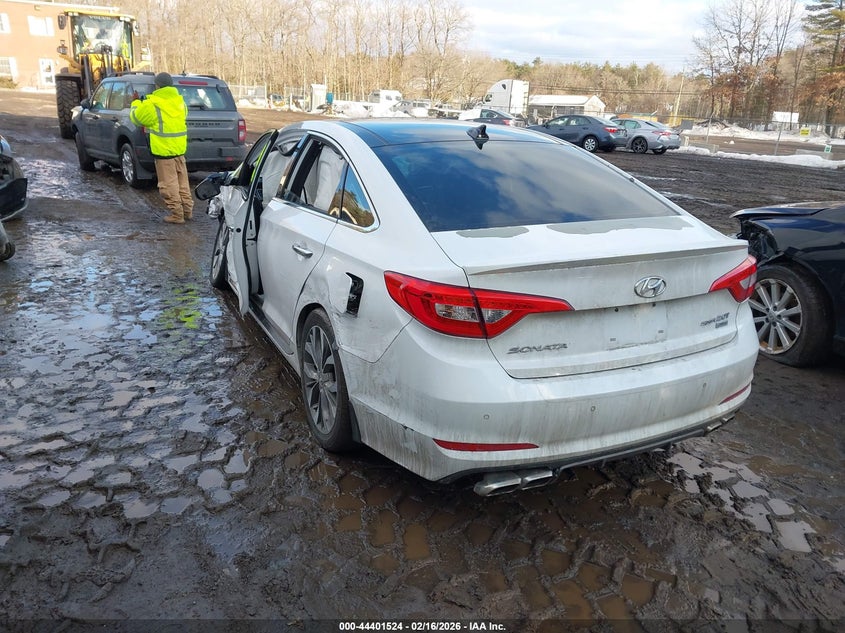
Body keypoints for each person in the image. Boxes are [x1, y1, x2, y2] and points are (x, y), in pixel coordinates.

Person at [129, 72, 193, 224]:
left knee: (168, 184)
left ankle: (177, 215)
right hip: (179, 149)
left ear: (157, 86)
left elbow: (136, 118)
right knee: (182, 183)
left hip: (164, 151)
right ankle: (187, 211)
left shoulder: (153, 104)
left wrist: (136, 103)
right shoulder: (180, 102)